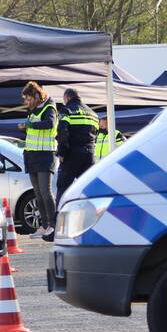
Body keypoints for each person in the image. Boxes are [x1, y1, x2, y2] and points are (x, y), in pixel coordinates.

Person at [18, 82, 58, 241]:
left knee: (45, 192)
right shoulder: (32, 111)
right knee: (38, 193)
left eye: (28, 99)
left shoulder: (49, 108)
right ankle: (44, 225)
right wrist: (25, 128)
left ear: (36, 96)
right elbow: (32, 131)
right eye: (25, 99)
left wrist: (31, 125)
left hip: (45, 155)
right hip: (32, 156)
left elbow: (50, 124)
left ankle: (53, 225)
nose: (26, 102)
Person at [55, 88, 99, 208]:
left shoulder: (67, 110)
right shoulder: (93, 113)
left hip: (71, 154)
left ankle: (59, 217)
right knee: (87, 189)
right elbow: (95, 135)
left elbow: (63, 133)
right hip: (89, 155)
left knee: (63, 189)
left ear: (67, 98)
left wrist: (61, 153)